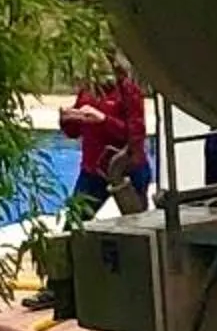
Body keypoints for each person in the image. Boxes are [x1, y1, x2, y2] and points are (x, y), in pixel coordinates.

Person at [60, 65, 152, 223]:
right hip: (93, 170)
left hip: (127, 168)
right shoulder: (88, 91)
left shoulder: (128, 91)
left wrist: (103, 120)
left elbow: (135, 135)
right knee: (75, 223)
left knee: (138, 223)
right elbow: (74, 132)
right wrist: (67, 119)